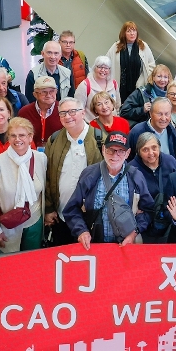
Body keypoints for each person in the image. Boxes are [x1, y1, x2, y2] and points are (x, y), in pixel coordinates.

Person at [62, 131, 154, 248]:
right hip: (95, 244)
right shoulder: (90, 175)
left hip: (126, 244)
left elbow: (148, 210)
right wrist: (81, 231)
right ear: (103, 149)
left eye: (121, 151)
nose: (115, 155)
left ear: (127, 153)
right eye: (111, 150)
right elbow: (71, 209)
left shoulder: (136, 177)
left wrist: (134, 233)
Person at [44, 98, 103, 246]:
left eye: (72, 112)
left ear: (83, 113)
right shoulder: (54, 140)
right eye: (63, 113)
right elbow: (47, 176)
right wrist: (49, 208)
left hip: (90, 216)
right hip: (60, 215)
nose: (67, 116)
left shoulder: (100, 139)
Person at [0, 117, 47, 253]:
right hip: (9, 225)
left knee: (33, 259)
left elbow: (44, 192)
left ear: (30, 137)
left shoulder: (40, 158)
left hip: (34, 221)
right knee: (9, 262)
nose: (17, 139)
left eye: (22, 135)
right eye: (13, 135)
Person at [130, 132, 176, 243]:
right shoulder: (132, 169)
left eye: (154, 148)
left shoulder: (170, 161)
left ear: (159, 147)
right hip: (144, 222)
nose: (151, 153)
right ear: (138, 152)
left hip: (169, 218)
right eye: (145, 149)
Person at [107, 21, 156, 99]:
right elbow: (106, 63)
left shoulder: (143, 46)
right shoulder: (116, 47)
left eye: (134, 30)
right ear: (124, 33)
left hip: (139, 87)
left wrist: (143, 79)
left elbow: (151, 65)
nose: (132, 33)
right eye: (129, 31)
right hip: (119, 87)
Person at [17, 75, 63, 148]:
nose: (48, 95)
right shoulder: (24, 113)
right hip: (31, 152)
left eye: (52, 91)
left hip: (58, 152)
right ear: (35, 94)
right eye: (44, 92)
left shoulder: (63, 110)